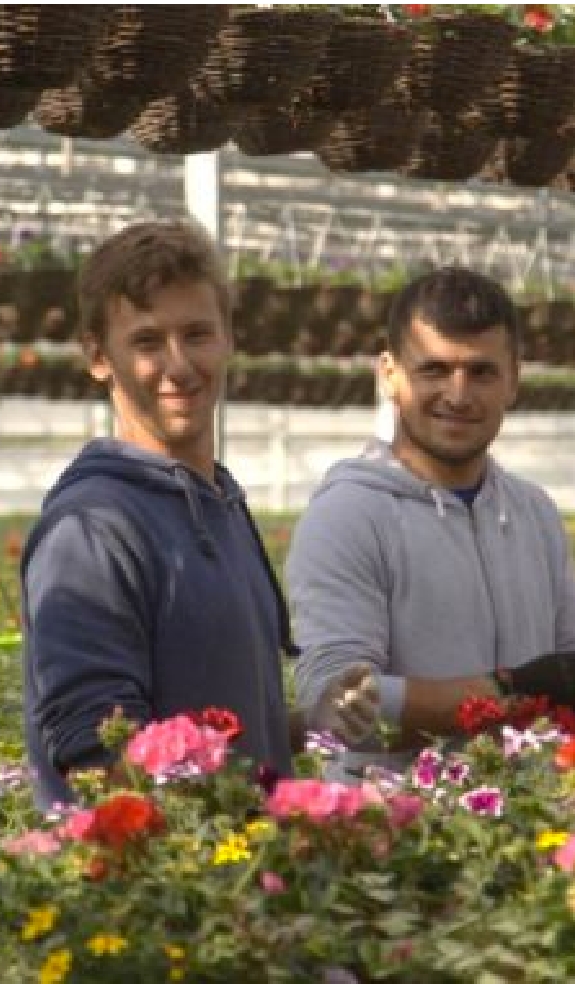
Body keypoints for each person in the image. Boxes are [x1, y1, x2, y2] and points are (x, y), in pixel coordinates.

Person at [21, 220, 378, 810]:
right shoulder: (92, 529)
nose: (179, 365)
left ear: (228, 339)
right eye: (147, 342)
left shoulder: (221, 505)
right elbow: (97, 756)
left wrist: (305, 723)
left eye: (197, 334)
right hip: (152, 890)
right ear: (96, 357)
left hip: (239, 881)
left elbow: (225, 730)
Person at [285, 266, 575, 771]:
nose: (458, 394)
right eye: (434, 370)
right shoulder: (349, 514)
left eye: (481, 372)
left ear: (513, 379)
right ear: (389, 375)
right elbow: (337, 698)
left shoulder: (532, 512)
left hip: (528, 816)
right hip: (397, 826)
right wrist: (503, 690)